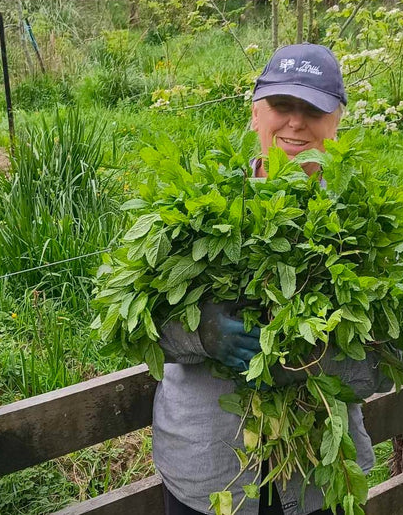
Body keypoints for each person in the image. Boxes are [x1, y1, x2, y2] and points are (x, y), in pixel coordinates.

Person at [154, 43, 390, 515]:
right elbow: (139, 328)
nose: (296, 123)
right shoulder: (192, 211)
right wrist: (201, 333)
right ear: (256, 113)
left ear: (338, 120)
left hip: (316, 475)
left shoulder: (369, 229)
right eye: (283, 106)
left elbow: (389, 362)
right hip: (205, 468)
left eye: (314, 109)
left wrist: (307, 359)